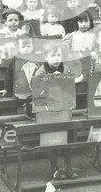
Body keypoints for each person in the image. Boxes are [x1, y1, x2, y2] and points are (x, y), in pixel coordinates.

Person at [33, 40, 83, 179]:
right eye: (52, 55)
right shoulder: (40, 73)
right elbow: (38, 95)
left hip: (64, 110)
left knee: (66, 141)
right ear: (46, 56)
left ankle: (68, 168)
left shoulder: (66, 70)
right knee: (52, 142)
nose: (56, 59)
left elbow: (70, 91)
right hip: (48, 113)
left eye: (58, 55)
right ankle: (54, 168)